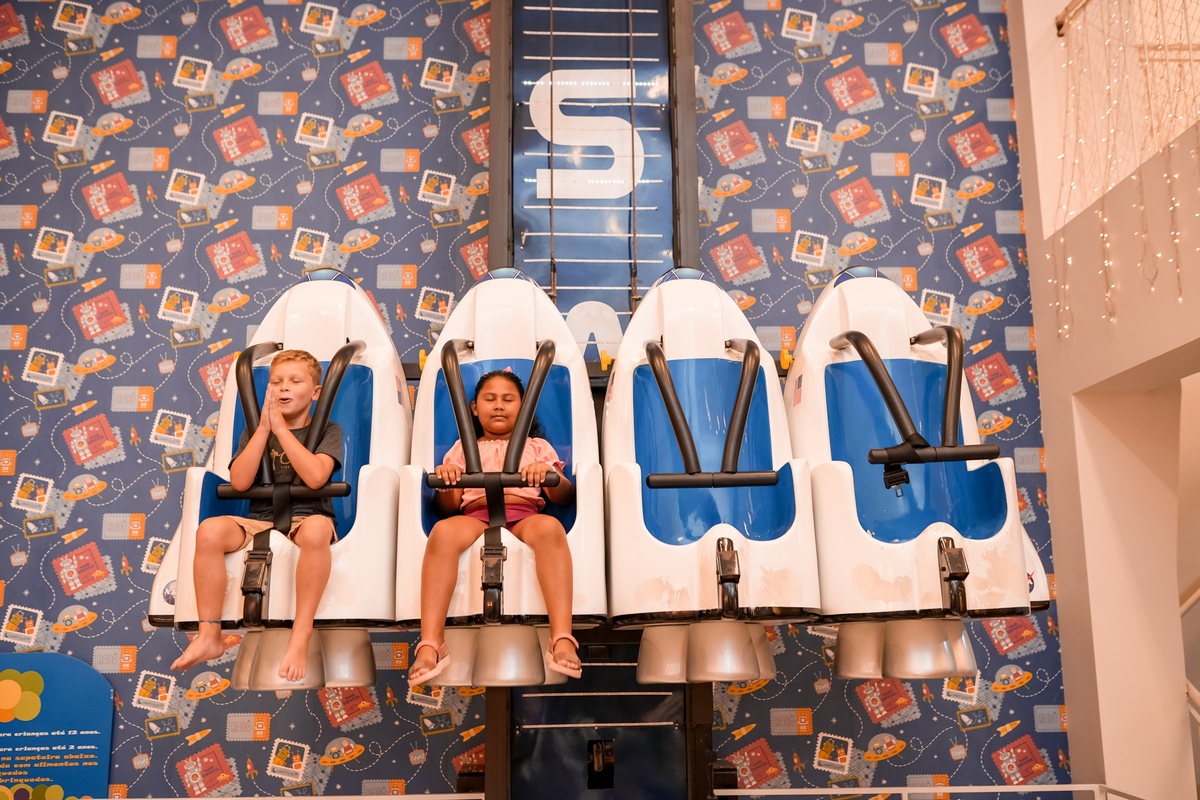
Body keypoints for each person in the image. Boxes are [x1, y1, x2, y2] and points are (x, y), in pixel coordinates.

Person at [171, 349, 342, 682]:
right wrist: (263, 429)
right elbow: (239, 481)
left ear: (316, 392)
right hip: (260, 518)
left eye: (295, 381)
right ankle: (209, 634)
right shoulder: (255, 432)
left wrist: (282, 431)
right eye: (276, 382)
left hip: (307, 516)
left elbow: (316, 477)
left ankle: (301, 633)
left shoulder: (328, 430)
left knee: (317, 530)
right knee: (209, 531)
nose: (283, 387)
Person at [408, 369, 579, 686]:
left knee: (550, 529)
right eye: (490, 399)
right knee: (442, 534)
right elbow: (446, 508)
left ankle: (562, 638)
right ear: (474, 408)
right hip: (476, 515)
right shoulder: (462, 449)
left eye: (508, 399)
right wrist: (448, 483)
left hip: (523, 514)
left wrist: (547, 474)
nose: (498, 405)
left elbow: (565, 496)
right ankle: (431, 643)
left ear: (523, 407)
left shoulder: (537, 446)